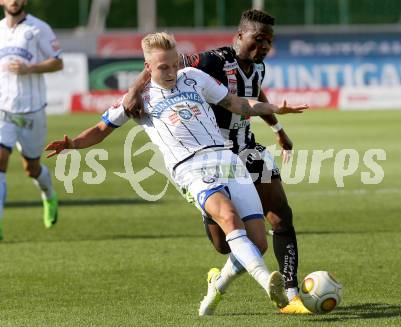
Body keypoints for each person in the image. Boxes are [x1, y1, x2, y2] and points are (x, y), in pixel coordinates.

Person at [45, 32, 308, 315]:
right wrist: (74, 143)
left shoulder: (193, 76)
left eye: (173, 64)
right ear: (147, 67)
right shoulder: (137, 100)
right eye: (163, 67)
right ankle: (268, 285)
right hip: (189, 167)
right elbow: (100, 130)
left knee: (258, 242)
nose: (172, 72)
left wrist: (274, 109)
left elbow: (237, 104)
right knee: (230, 220)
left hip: (226, 158)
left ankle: (218, 284)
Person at [123, 9, 309, 314]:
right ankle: (218, 267)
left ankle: (292, 293)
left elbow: (253, 93)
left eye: (269, 42)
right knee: (224, 246)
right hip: (212, 154)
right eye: (258, 39)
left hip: (247, 149)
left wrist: (278, 128)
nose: (263, 47)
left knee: (280, 216)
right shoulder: (212, 60)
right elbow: (167, 64)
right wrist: (134, 89)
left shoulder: (258, 68)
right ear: (239, 36)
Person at [0, 0, 63, 240]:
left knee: (31, 168)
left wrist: (30, 68)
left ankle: (48, 195)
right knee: (0, 161)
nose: (14, 1)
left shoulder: (39, 28)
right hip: (3, 110)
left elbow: (58, 62)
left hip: (32, 110)